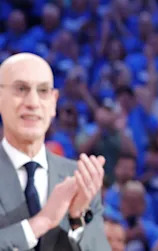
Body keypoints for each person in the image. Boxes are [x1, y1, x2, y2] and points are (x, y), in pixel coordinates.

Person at [0, 52, 109, 249]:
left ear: (53, 102)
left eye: (42, 91)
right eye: (21, 89)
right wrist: (41, 222)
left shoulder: (78, 178)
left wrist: (76, 219)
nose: (33, 103)